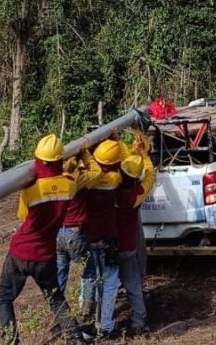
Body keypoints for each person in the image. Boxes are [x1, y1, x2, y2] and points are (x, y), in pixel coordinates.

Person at [0, 134, 84, 345]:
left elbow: (22, 217)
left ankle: (11, 341)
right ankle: (74, 338)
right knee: (55, 298)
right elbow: (70, 174)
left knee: (5, 297)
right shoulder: (70, 185)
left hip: (21, 252)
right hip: (45, 255)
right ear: (59, 160)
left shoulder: (31, 188)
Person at [114, 146, 155, 336]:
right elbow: (150, 178)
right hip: (127, 247)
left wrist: (117, 145)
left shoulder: (109, 186)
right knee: (134, 286)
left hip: (107, 245)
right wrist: (145, 157)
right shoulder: (136, 195)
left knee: (105, 285)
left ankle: (102, 322)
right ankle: (139, 321)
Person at [84, 139, 122, 339]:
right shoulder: (115, 179)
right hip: (108, 240)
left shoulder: (85, 183)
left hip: (89, 237)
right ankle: (105, 326)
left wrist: (85, 153)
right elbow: (121, 159)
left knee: (89, 278)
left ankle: (86, 323)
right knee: (109, 282)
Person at [56, 148, 99, 324]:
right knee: (89, 271)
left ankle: (57, 313)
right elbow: (96, 173)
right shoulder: (77, 180)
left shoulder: (54, 180)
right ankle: (86, 312)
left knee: (59, 274)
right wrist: (86, 155)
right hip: (75, 233)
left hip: (58, 233)